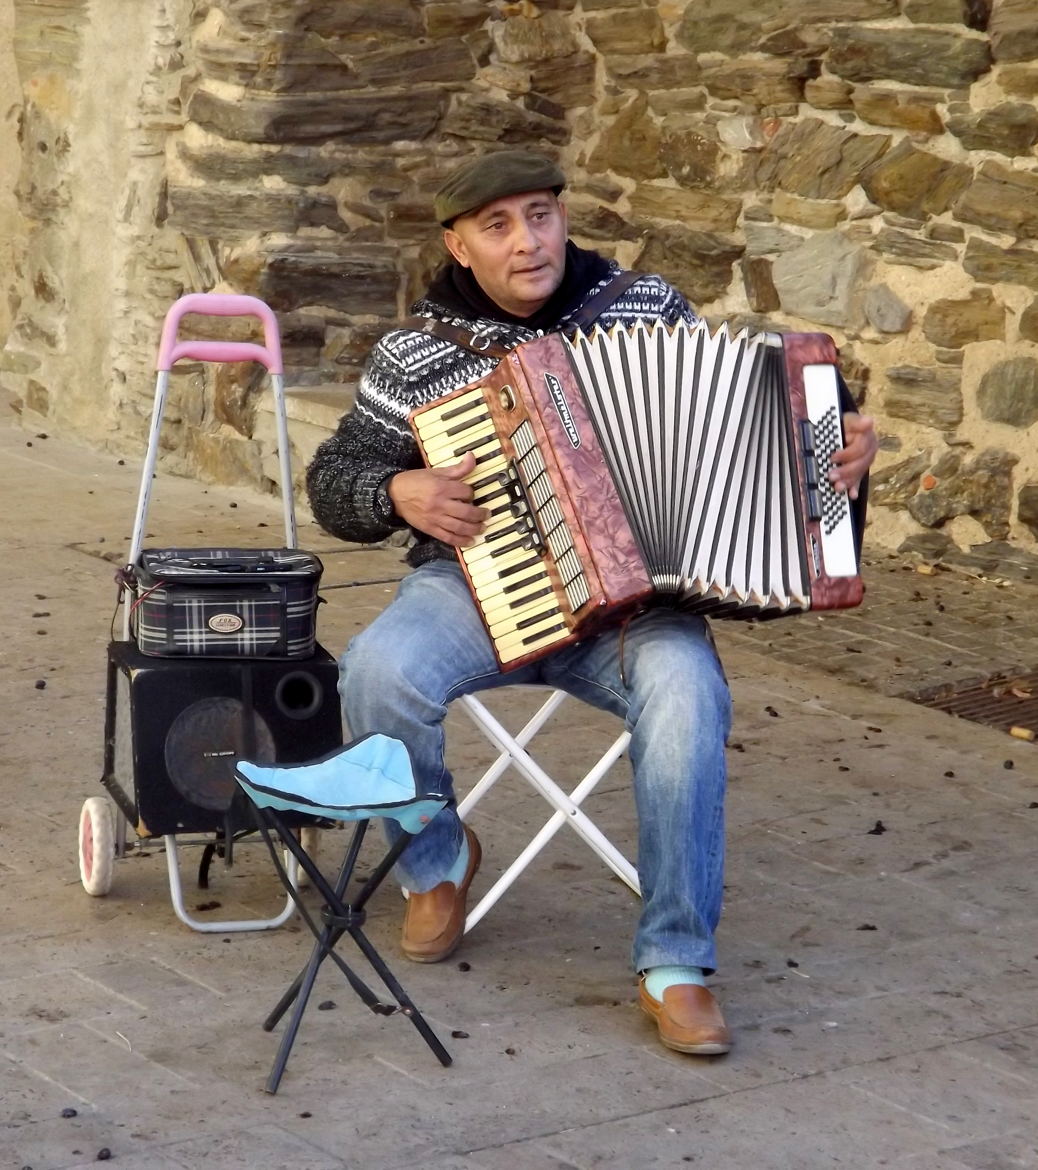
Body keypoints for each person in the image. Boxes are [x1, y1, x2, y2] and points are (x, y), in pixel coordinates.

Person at [306, 149, 878, 1056]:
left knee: (689, 697)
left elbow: (758, 442)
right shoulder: (416, 355)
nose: (527, 242)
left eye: (540, 215)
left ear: (563, 218)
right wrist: (398, 494)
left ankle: (676, 962)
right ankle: (435, 863)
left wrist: (837, 459)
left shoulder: (645, 313)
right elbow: (334, 480)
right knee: (378, 670)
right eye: (496, 226)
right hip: (476, 585)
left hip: (635, 609)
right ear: (458, 246)